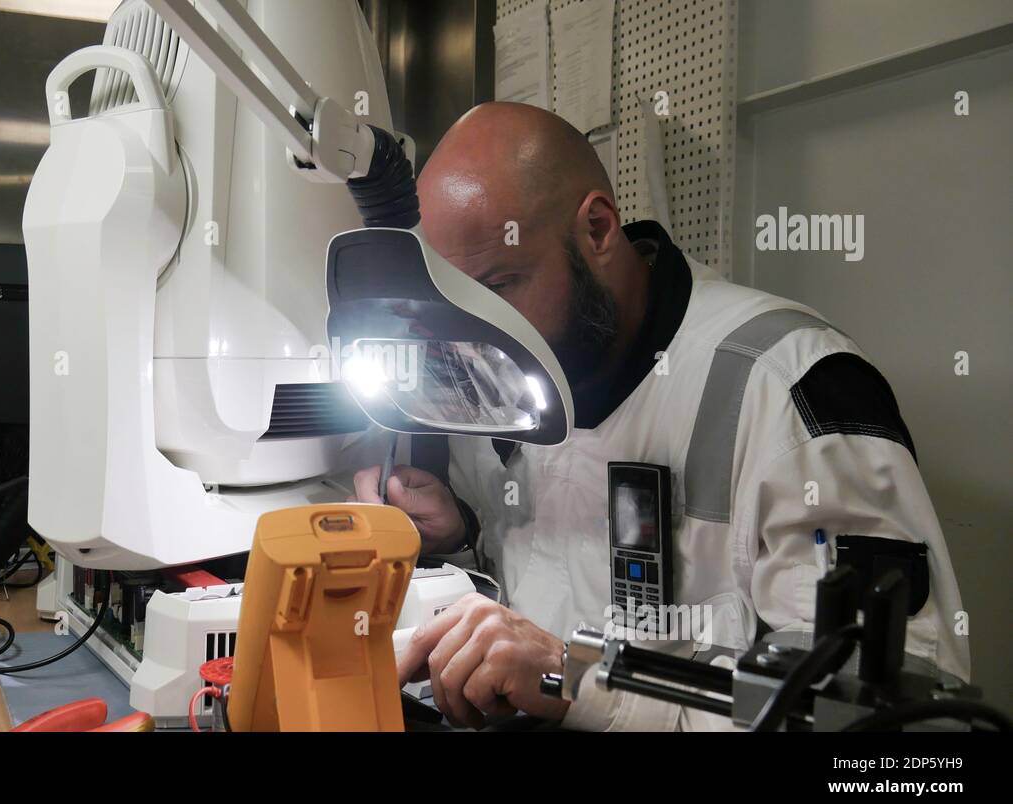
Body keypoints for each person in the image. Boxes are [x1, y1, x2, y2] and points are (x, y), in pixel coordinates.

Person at [351, 102, 969, 731]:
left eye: (500, 286)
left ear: (597, 228)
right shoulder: (502, 370)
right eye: (457, 304)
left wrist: (576, 679)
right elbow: (544, 583)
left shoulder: (791, 388)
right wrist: (461, 536)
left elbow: (891, 730)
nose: (479, 339)